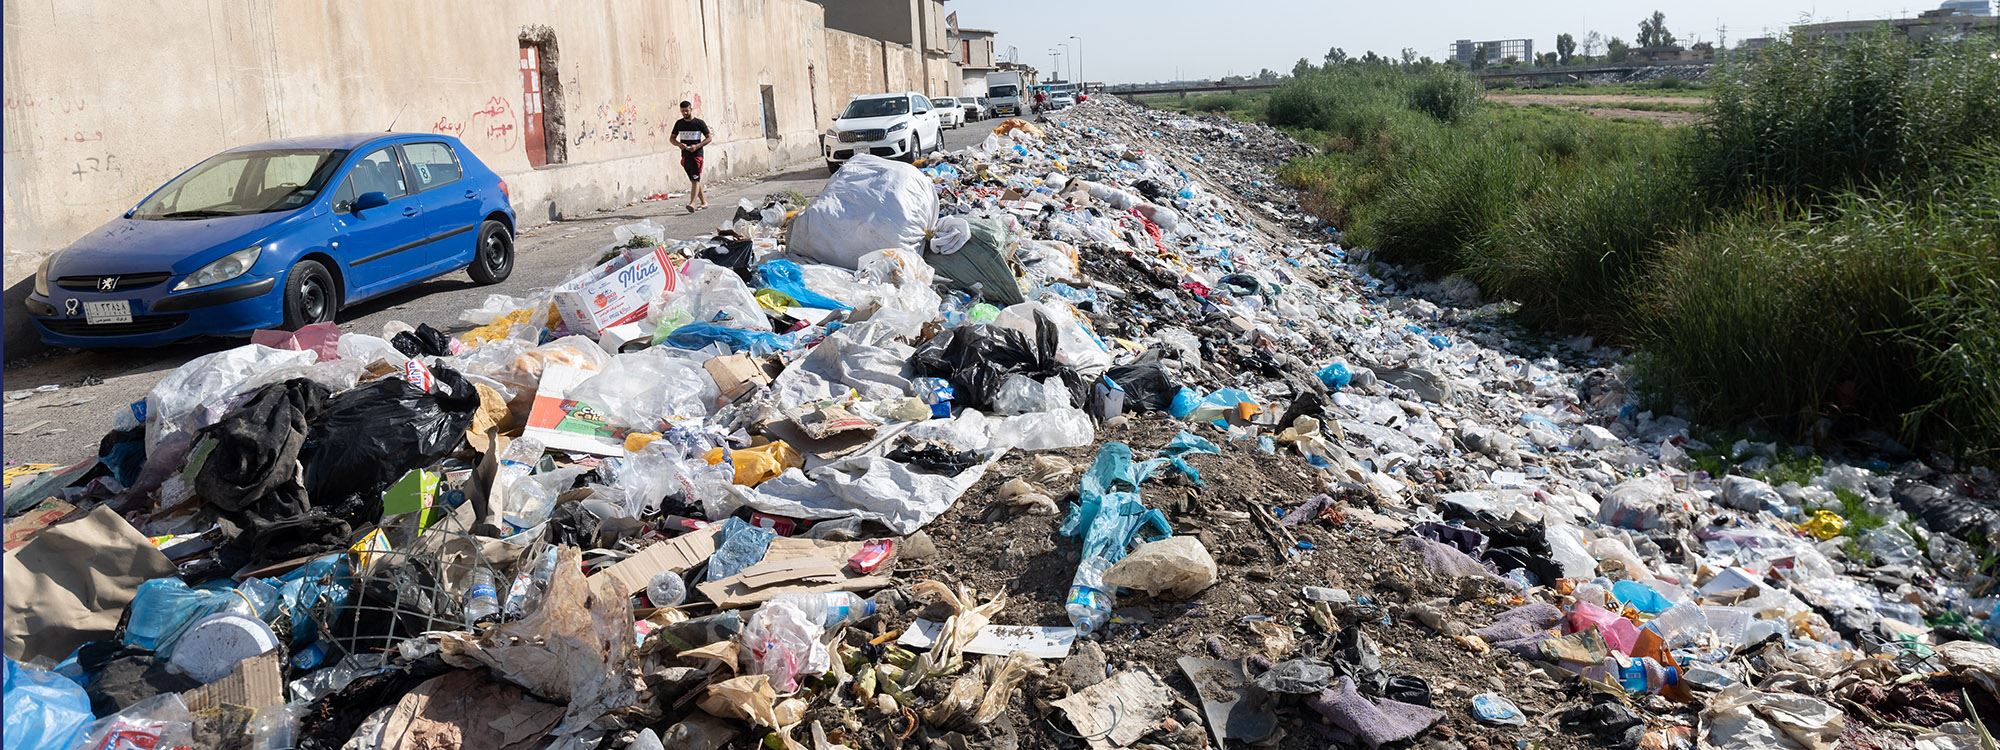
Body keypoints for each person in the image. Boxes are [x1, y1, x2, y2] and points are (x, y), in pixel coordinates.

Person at [670, 100, 712, 212]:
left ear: (691, 109)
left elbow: (709, 138)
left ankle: (692, 203)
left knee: (695, 179)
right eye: (682, 111)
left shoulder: (699, 123)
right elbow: (672, 139)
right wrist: (679, 144)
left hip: (697, 155)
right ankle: (704, 202)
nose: (684, 113)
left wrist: (697, 146)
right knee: (695, 180)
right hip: (685, 156)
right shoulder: (679, 123)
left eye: (686, 111)